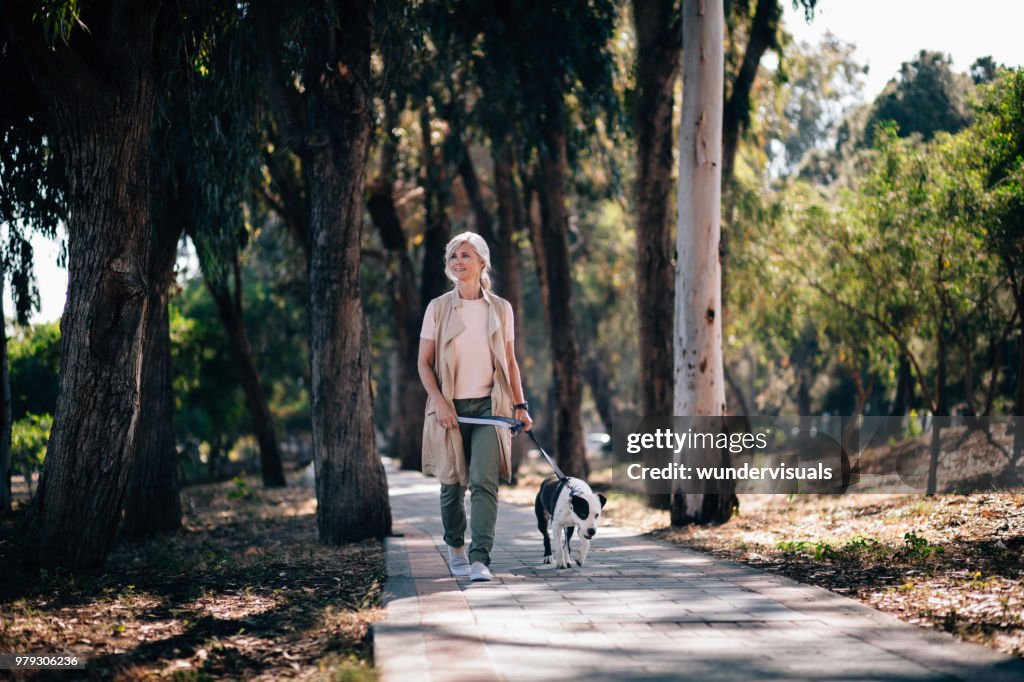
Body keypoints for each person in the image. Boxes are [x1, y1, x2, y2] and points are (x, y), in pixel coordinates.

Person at [418, 231, 532, 582]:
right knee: (452, 485)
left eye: (465, 255)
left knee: (484, 483)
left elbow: (510, 362)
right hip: (449, 409)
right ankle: (455, 548)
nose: (458, 261)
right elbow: (424, 363)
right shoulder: (438, 308)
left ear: (482, 262)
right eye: (453, 256)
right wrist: (440, 402)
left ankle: (480, 558)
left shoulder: (500, 308)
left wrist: (520, 405)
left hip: (489, 408)